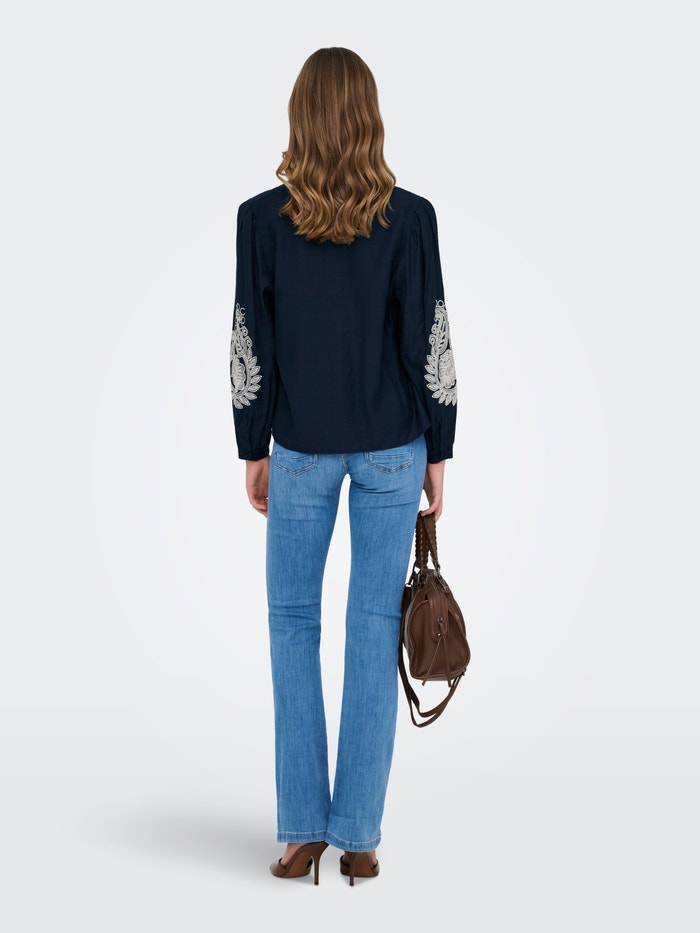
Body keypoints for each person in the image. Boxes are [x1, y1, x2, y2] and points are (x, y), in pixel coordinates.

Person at [229, 47, 458, 886]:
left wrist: (253, 444)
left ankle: (301, 836)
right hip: (395, 448)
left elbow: (248, 339)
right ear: (368, 118)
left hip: (299, 449)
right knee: (371, 627)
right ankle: (359, 834)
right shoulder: (411, 218)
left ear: (301, 117)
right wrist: (439, 448)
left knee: (293, 627)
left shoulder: (261, 219)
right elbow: (431, 336)